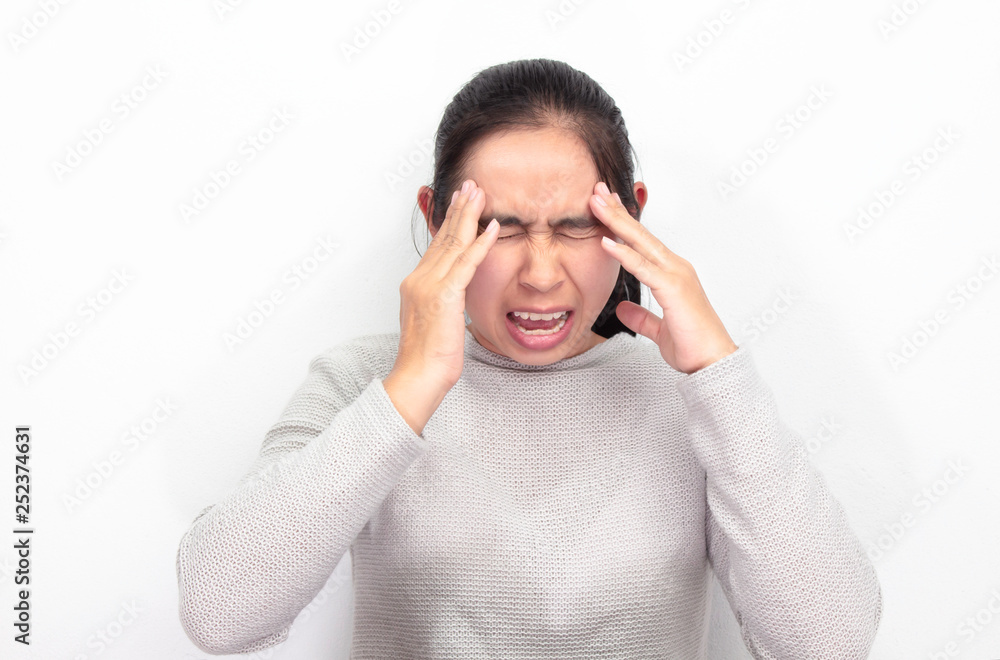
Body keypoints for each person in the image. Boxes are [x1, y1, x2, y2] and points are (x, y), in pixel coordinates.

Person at [175, 58, 882, 658]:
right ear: (436, 218)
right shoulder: (362, 384)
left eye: (576, 226)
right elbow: (220, 614)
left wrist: (718, 378)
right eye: (497, 228)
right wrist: (413, 387)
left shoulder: (693, 401)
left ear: (630, 215)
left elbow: (830, 642)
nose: (541, 275)